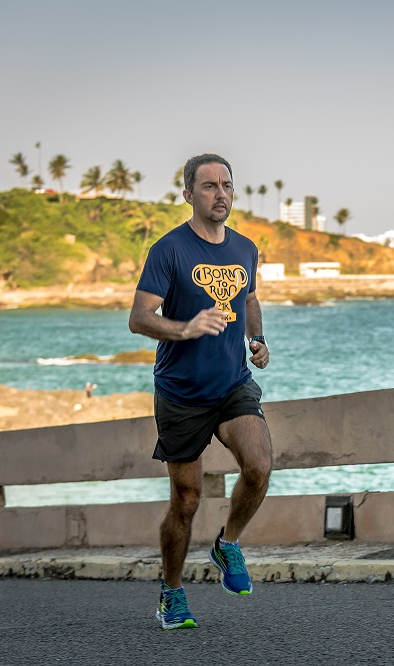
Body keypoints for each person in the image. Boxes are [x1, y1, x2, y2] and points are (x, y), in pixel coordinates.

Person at [128, 153, 273, 630]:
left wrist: (257, 339)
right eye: (209, 186)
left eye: (227, 185)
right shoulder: (168, 251)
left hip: (232, 383)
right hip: (181, 392)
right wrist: (186, 328)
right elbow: (139, 317)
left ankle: (227, 544)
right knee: (185, 501)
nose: (221, 194)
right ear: (188, 194)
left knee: (258, 465)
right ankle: (171, 593)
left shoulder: (245, 248)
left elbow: (249, 298)